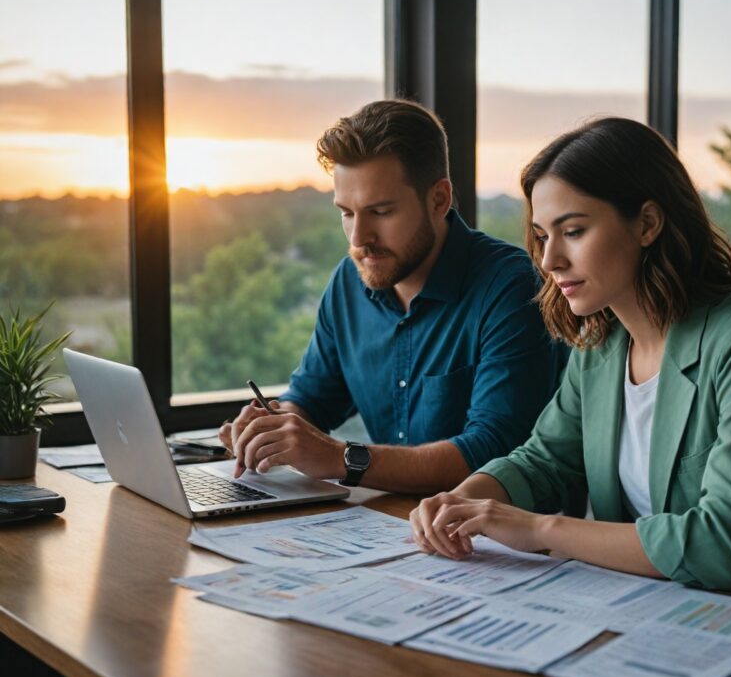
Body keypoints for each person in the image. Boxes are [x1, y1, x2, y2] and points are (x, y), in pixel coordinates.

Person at [410, 117, 731, 606]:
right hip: (660, 609)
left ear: (648, 223)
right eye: (543, 236)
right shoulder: (601, 347)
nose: (549, 261)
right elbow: (543, 460)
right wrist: (468, 497)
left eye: (575, 231)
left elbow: (724, 543)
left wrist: (541, 528)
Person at [220, 99, 565, 494]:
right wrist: (273, 428)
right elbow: (312, 400)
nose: (358, 239)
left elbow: (493, 453)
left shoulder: (511, 287)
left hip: (496, 541)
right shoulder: (349, 283)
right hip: (386, 526)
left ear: (439, 200)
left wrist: (339, 457)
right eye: (347, 212)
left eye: (380, 212)